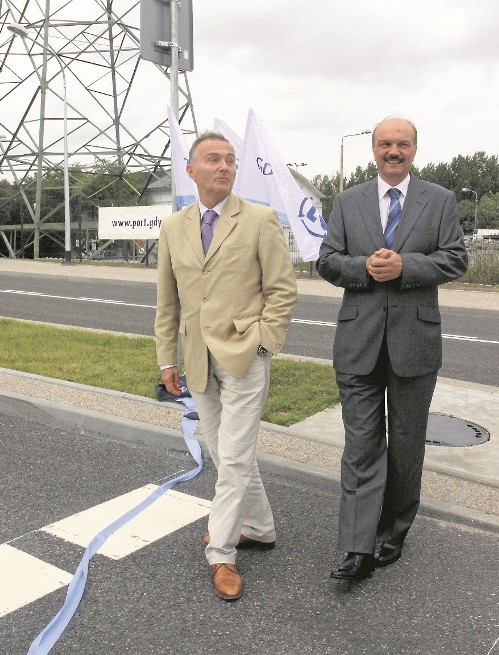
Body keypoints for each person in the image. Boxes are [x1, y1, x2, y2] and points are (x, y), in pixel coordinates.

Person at [317, 117, 468, 580]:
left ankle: (394, 530)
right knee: (361, 445)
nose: (394, 151)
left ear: (415, 149)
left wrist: (406, 265)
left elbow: (456, 258)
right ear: (374, 149)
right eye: (386, 143)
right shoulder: (347, 201)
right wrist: (365, 267)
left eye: (402, 144)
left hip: (414, 344)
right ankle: (357, 547)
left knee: (405, 446)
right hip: (358, 342)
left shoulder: (439, 200)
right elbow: (326, 260)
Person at [155, 131, 298, 600]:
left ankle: (222, 553)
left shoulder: (260, 219)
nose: (224, 166)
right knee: (220, 450)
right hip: (196, 358)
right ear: (191, 170)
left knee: (234, 456)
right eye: (212, 159)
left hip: (243, 357)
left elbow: (282, 290)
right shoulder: (174, 227)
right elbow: (167, 300)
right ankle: (258, 526)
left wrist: (264, 344)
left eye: (230, 160)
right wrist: (165, 358)